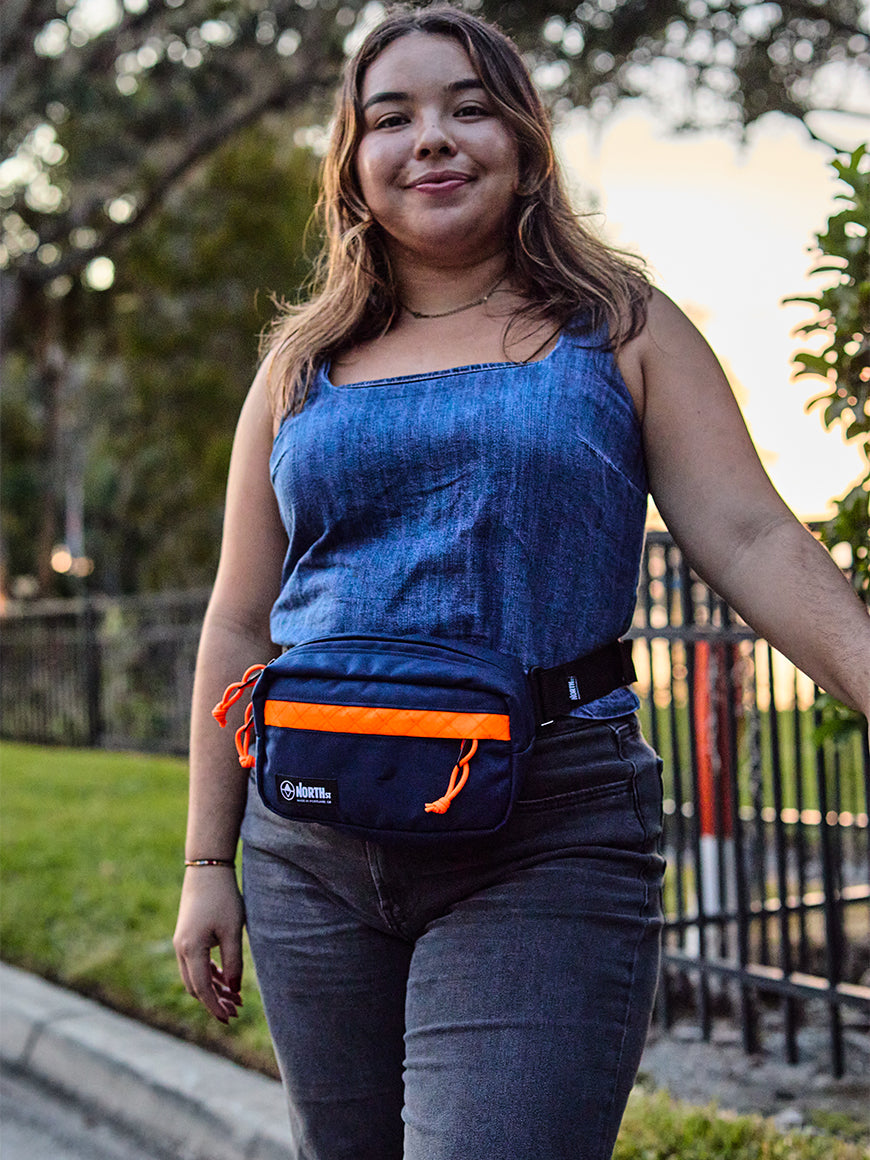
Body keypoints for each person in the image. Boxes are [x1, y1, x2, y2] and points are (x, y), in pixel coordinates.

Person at [173, 6, 870, 1158]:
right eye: (391, 118)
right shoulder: (302, 364)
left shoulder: (620, 329)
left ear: (527, 141)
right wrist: (208, 862)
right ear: (353, 163)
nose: (431, 139)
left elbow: (749, 535)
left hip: (545, 827)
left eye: (469, 107)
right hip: (311, 840)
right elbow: (241, 617)